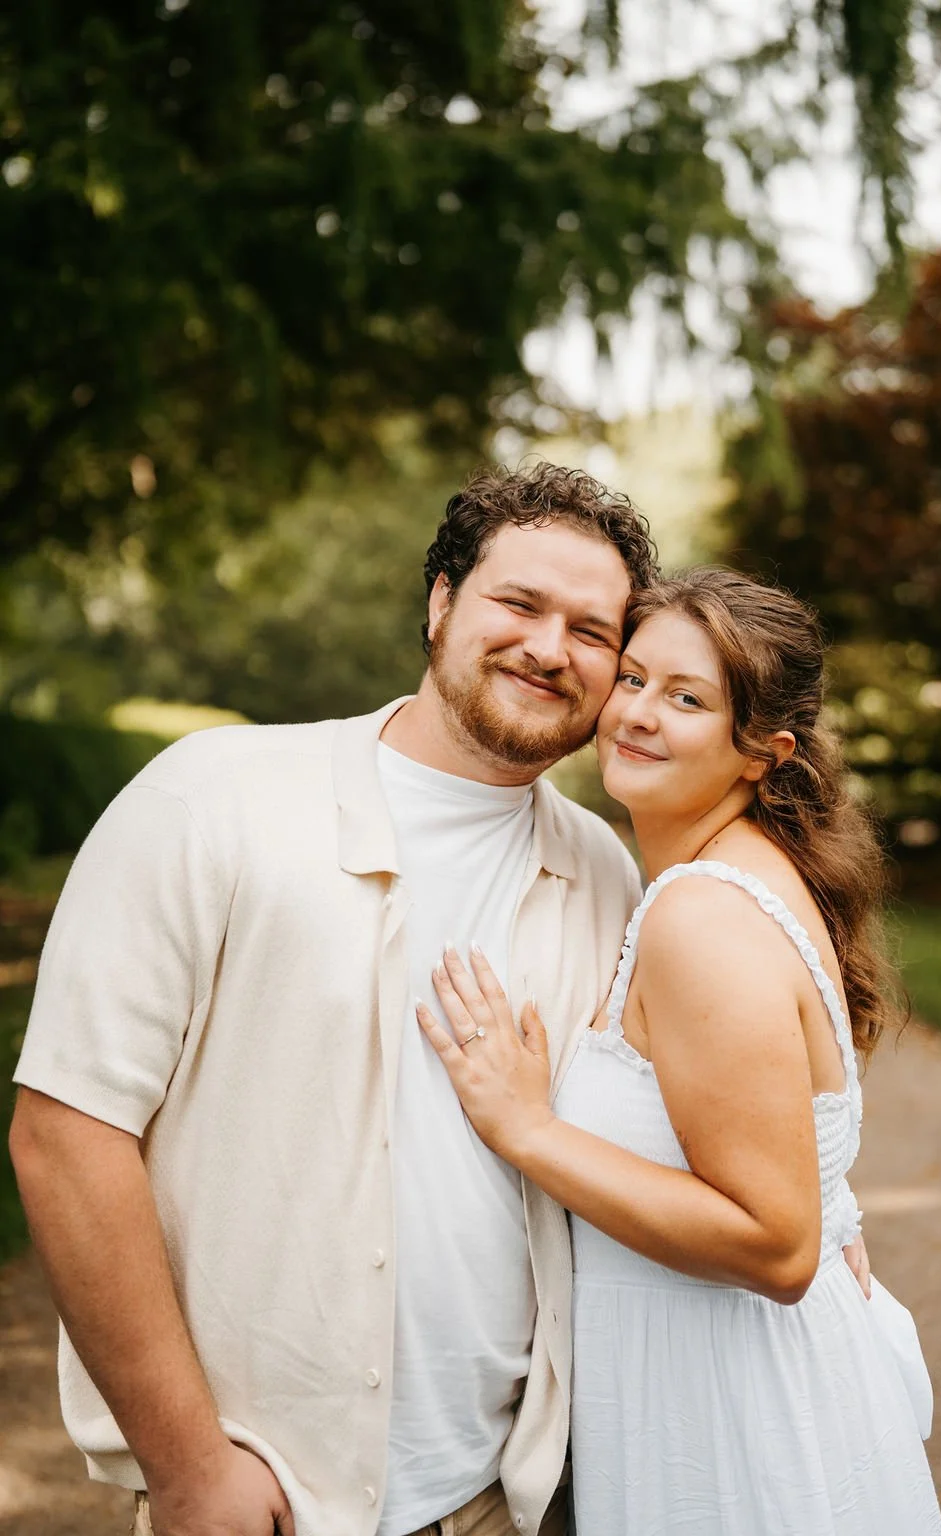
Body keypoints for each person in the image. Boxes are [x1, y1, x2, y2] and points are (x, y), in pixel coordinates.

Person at [8, 463, 656, 1536]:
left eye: (594, 631)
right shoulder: (210, 797)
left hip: (505, 1493)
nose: (552, 647)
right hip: (261, 1495)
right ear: (441, 601)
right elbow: (66, 1133)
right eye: (519, 603)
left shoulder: (603, 871)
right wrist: (186, 1467)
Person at [419, 568, 941, 1534]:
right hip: (721, 1374)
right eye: (633, 679)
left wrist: (528, 1130)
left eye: (688, 698)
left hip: (734, 1409)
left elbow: (777, 1246)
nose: (638, 715)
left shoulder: (702, 915)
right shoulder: (714, 878)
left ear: (762, 753)